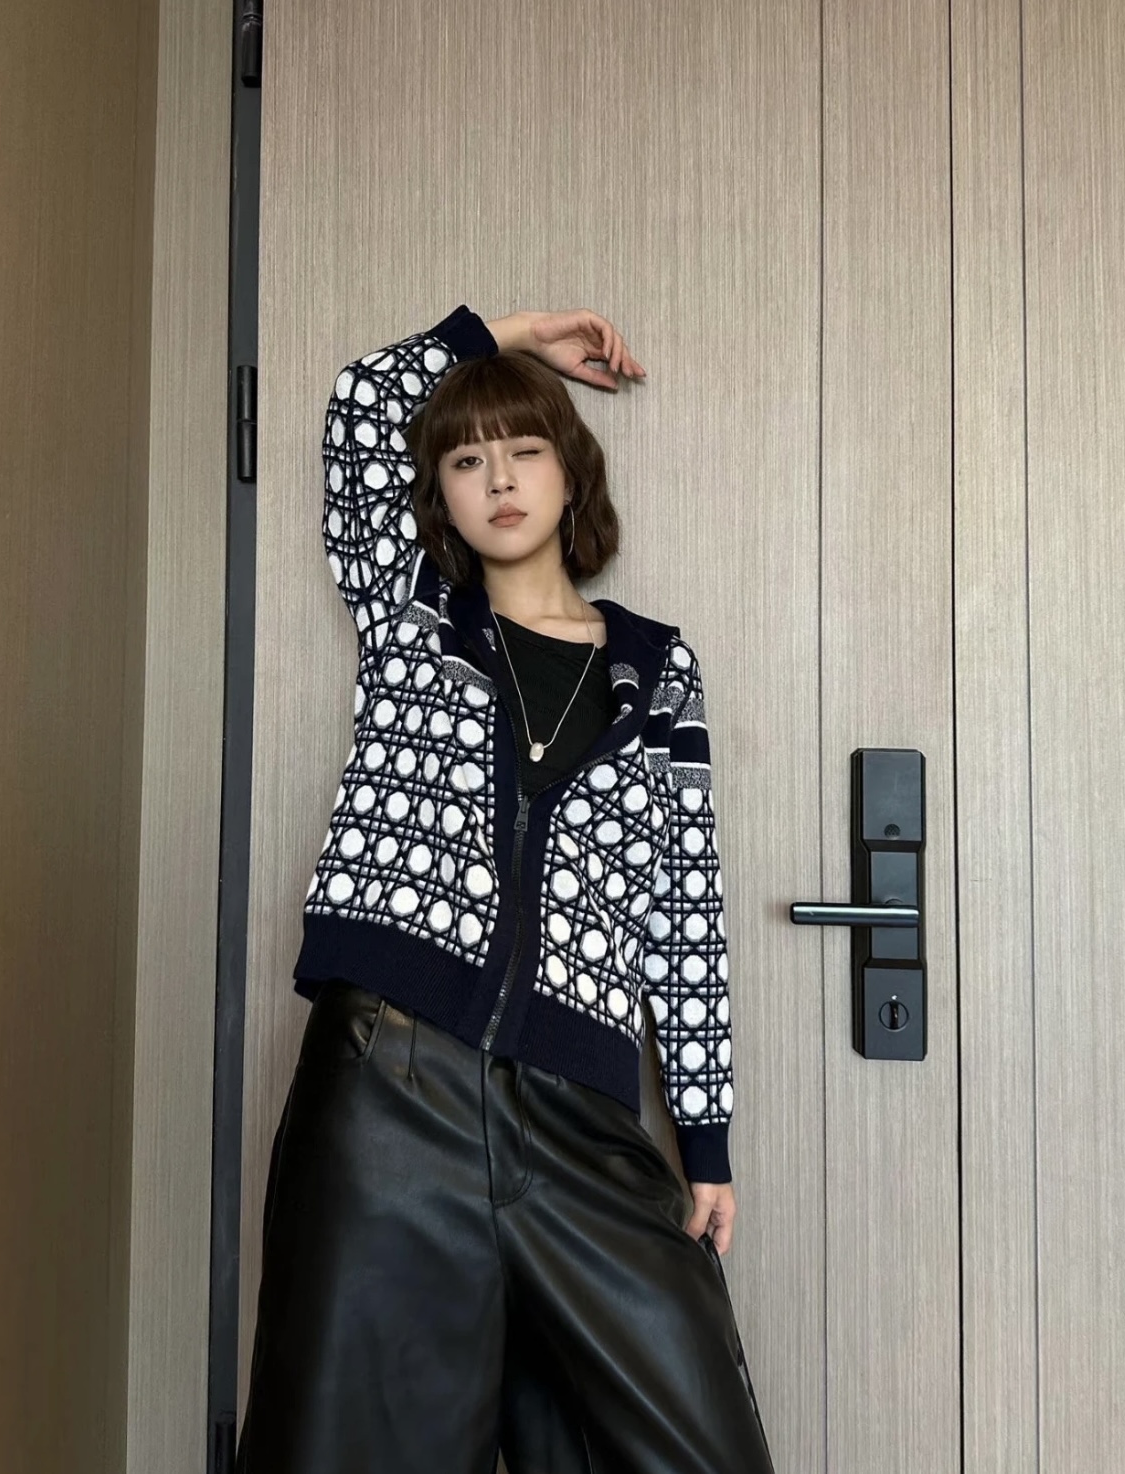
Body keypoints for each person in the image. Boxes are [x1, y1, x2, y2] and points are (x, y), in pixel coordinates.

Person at [235, 304, 776, 1474]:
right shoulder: (413, 616)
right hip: (389, 1093)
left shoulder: (656, 670)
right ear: (440, 495)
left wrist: (705, 1137)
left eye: (525, 449)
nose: (499, 479)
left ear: (571, 476)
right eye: (467, 459)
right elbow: (360, 406)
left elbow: (685, 907)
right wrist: (509, 333)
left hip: (578, 1115)